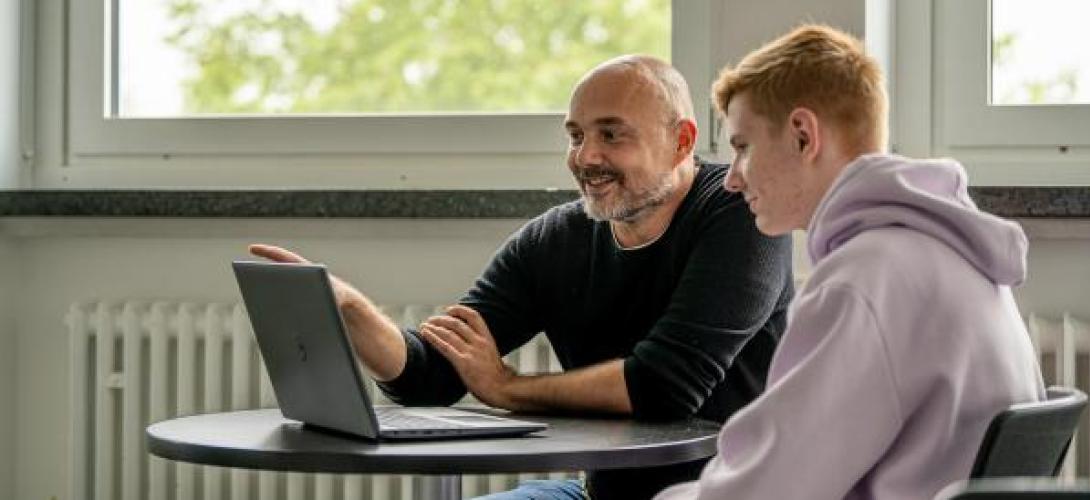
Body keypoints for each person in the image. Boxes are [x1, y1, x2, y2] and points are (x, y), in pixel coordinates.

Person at [250, 55, 795, 500]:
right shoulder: (555, 238)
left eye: (611, 135)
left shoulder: (738, 211)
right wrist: (349, 310)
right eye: (576, 135)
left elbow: (667, 385)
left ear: (681, 142)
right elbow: (431, 376)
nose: (587, 157)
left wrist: (509, 388)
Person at [654, 25, 1045, 500]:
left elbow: (765, 492)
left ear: (802, 135)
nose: (732, 180)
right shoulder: (954, 257)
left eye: (742, 147)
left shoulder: (865, 281)